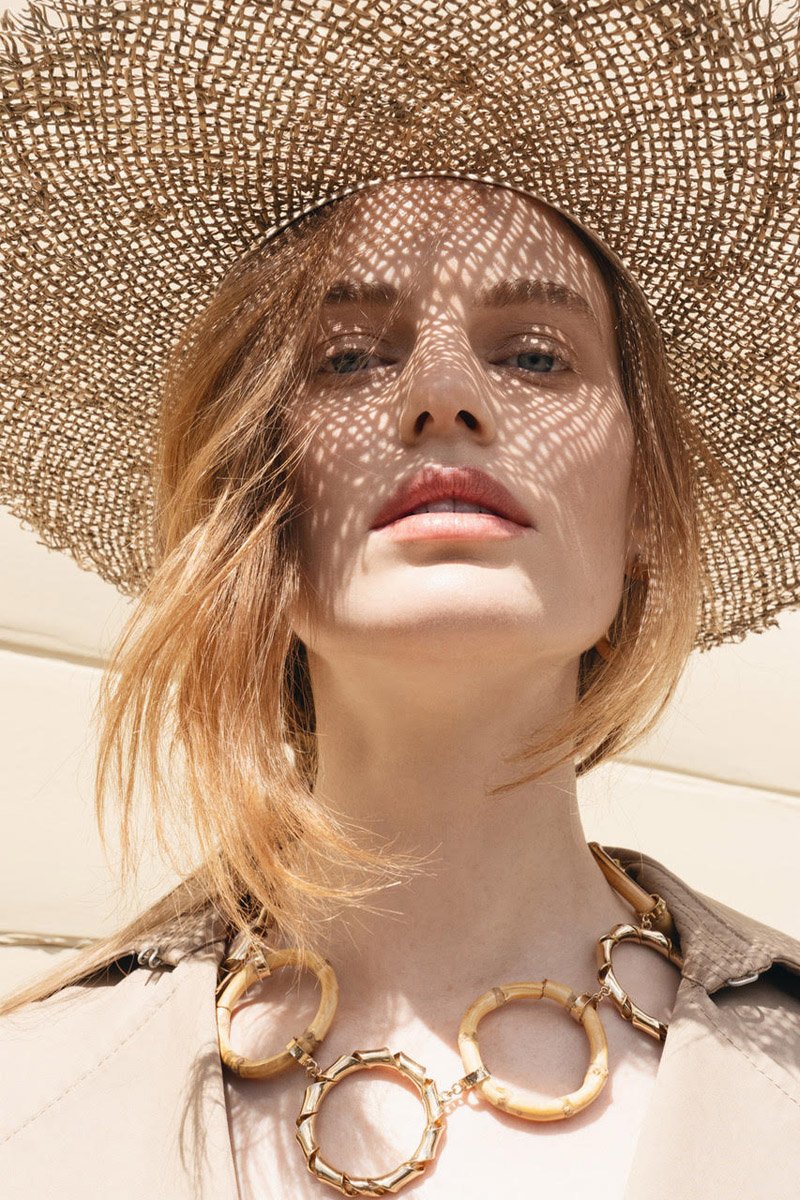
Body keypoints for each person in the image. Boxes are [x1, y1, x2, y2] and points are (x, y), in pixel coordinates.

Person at [0, 4, 798, 1200]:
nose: (442, 396)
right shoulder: (31, 1093)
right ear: (257, 493)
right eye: (347, 356)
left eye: (535, 354)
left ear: (642, 503)